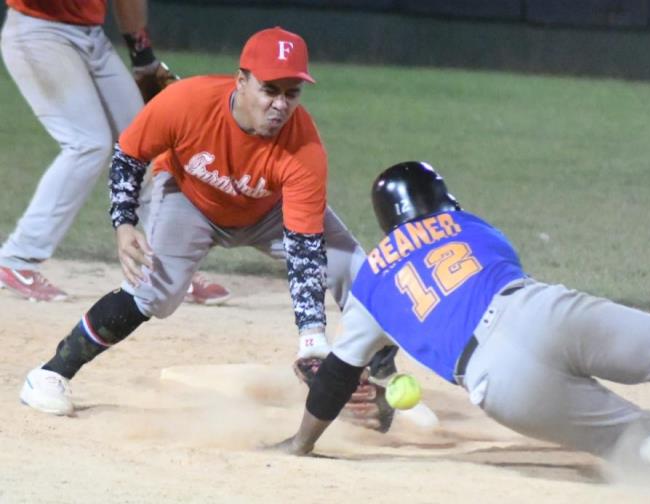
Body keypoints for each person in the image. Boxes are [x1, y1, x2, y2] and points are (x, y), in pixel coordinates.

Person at [277, 161, 650, 477]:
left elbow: (335, 377)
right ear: (442, 203)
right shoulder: (474, 227)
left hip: (498, 379)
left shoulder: (373, 286)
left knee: (632, 442)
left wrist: (301, 443)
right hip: (543, 310)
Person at [18, 27, 396, 430]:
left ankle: (375, 385)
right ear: (241, 81)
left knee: (362, 273)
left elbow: (305, 249)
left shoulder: (305, 149)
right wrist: (124, 222)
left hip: (270, 212)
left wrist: (312, 340)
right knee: (152, 294)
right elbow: (129, 156)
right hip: (188, 199)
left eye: (292, 93)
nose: (280, 105)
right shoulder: (187, 103)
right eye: (269, 89)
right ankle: (51, 373)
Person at [0, 0, 229, 304]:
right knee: (87, 143)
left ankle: (166, 267)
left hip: (93, 38)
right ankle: (18, 258)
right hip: (38, 32)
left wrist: (143, 56)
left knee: (145, 145)